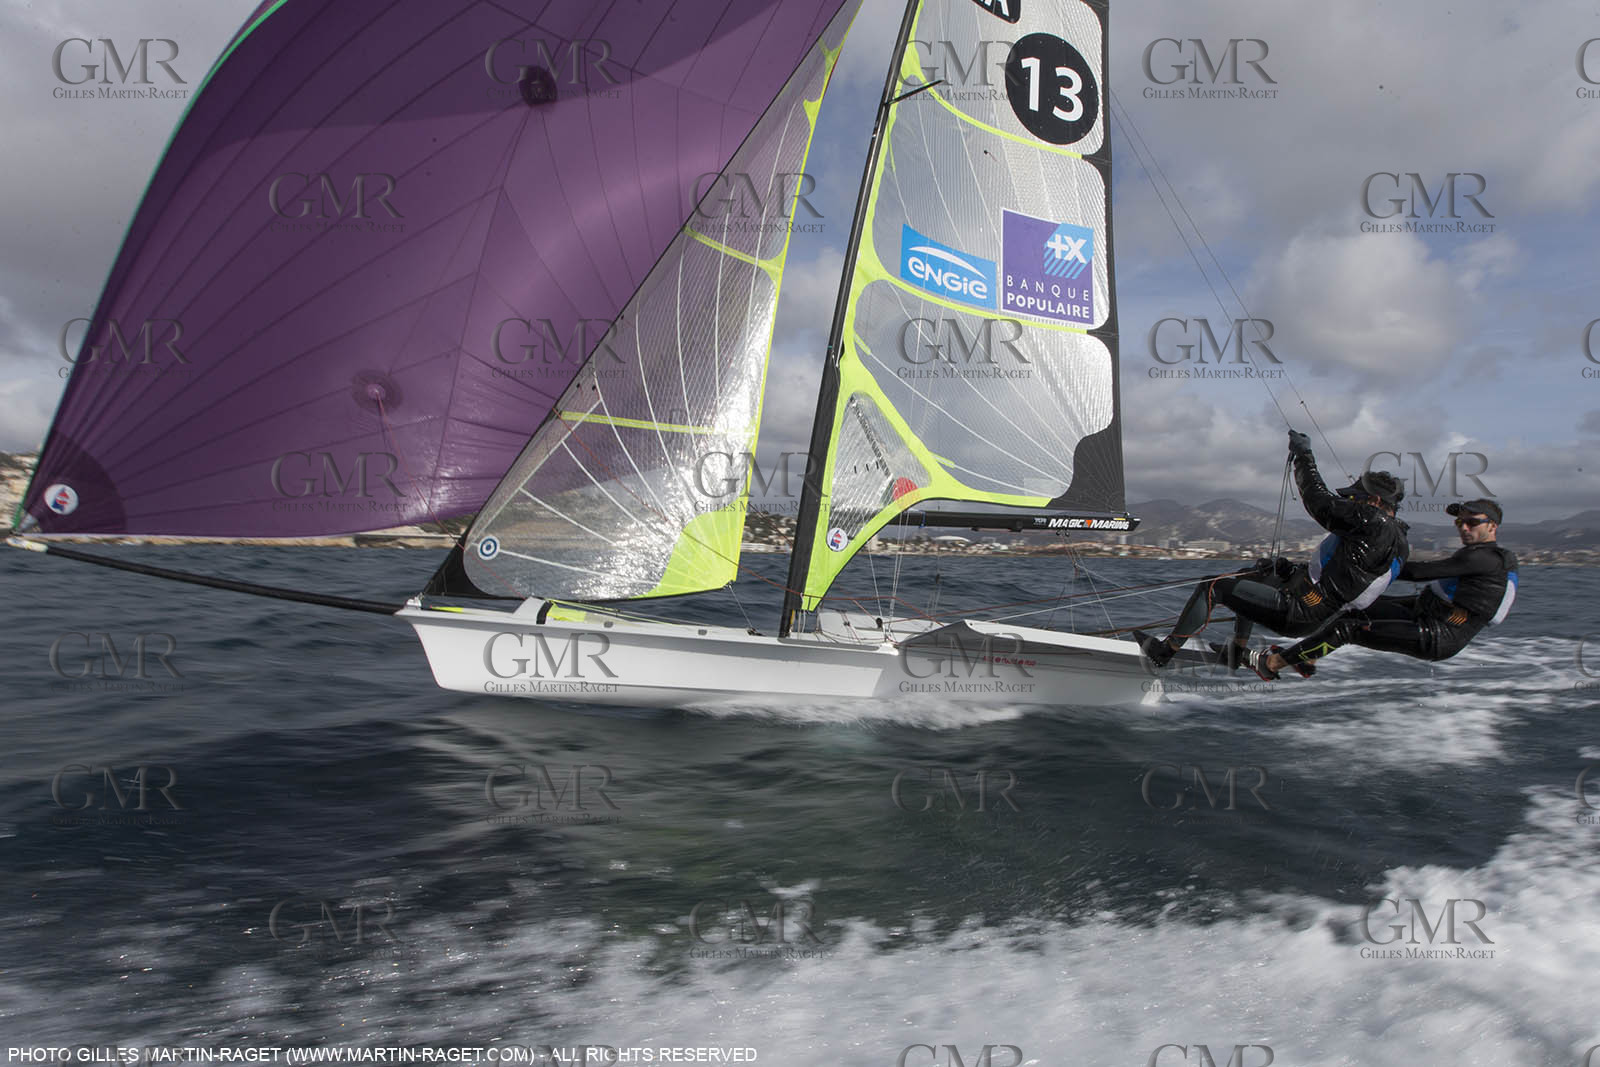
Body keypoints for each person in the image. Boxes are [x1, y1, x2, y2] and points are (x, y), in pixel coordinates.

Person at [1135, 429, 1410, 680]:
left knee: (1212, 586)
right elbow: (1346, 578)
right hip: (1313, 610)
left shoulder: (1374, 523)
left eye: (1355, 499)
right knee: (1249, 576)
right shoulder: (1397, 542)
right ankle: (1235, 652)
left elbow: (1319, 501)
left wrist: (1304, 455)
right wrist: (1290, 571)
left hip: (1298, 610)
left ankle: (1164, 653)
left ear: (1375, 501)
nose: (1350, 504)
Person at [1259, 498, 1517, 677]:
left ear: (1492, 526)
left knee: (1347, 629)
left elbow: (1417, 573)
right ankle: (1307, 658)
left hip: (1439, 634)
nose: (1464, 527)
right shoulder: (1479, 556)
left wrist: (1366, 562)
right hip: (1425, 612)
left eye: (1471, 522)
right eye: (1459, 523)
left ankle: (1274, 663)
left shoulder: (1485, 558)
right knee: (1353, 610)